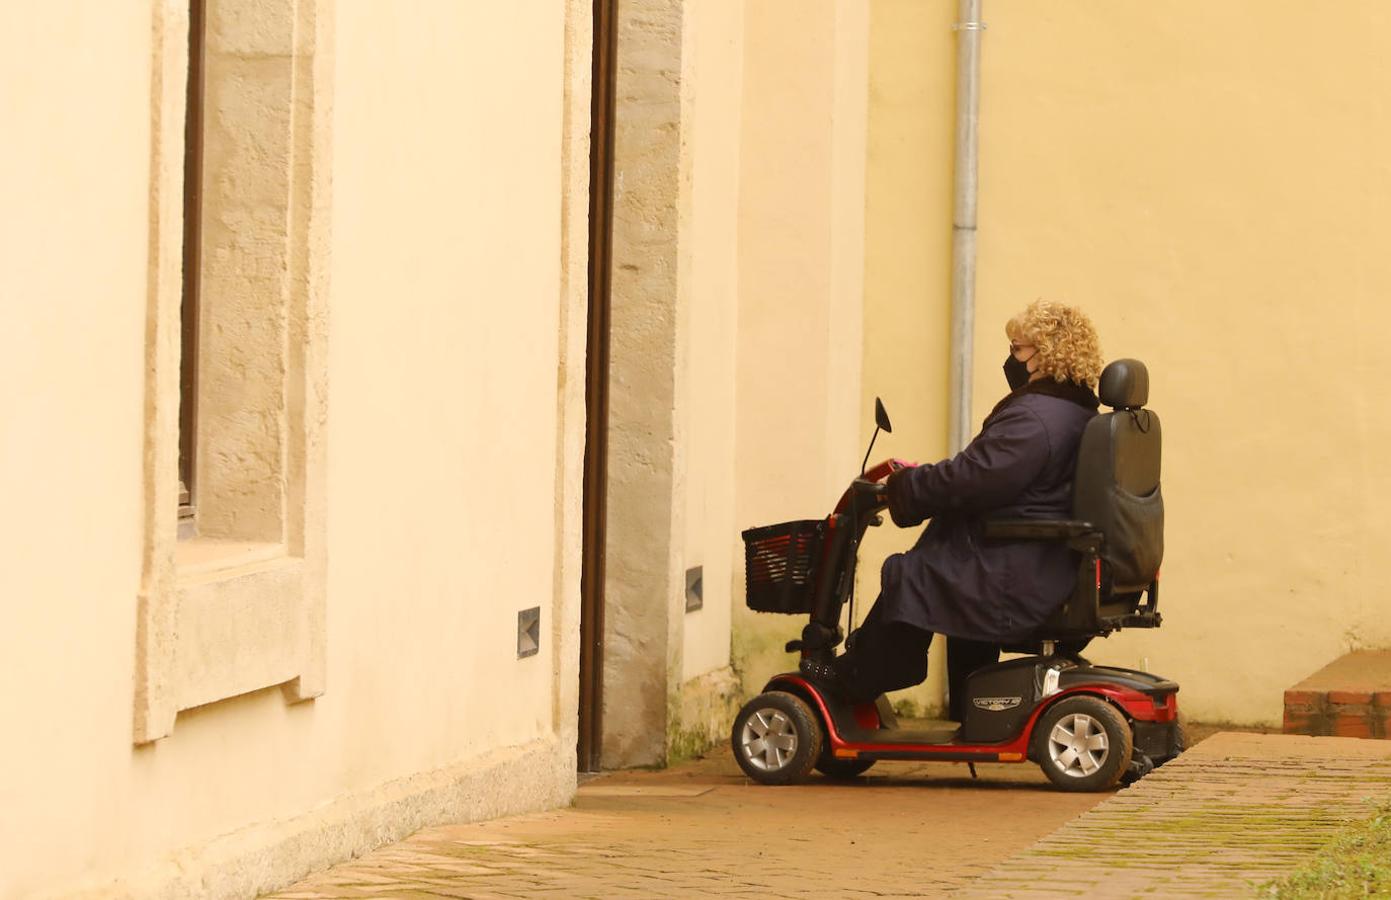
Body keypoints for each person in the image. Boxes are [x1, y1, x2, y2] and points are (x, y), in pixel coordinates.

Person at [829, 299, 1104, 706]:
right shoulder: (1071, 411)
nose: (1009, 359)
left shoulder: (1035, 418)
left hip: (1023, 566)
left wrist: (902, 486)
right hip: (1042, 559)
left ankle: (856, 680)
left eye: (1016, 349)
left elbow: (975, 478)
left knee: (914, 573)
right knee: (945, 573)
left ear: (1044, 354)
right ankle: (969, 707)